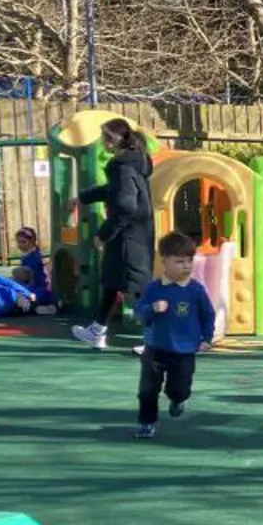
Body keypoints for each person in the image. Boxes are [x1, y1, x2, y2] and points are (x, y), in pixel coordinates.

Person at [70, 119, 155, 351]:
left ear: (112, 141)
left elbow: (126, 206)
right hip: (133, 235)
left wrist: (104, 234)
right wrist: (84, 197)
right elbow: (115, 192)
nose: (102, 141)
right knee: (112, 281)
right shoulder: (132, 163)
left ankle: (158, 339)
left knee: (136, 288)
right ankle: (97, 331)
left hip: (129, 236)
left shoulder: (123, 167)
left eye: (103, 137)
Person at [132, 231, 216, 439]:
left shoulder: (196, 290)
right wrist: (152, 308)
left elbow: (208, 315)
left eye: (189, 260)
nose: (186, 266)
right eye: (180, 261)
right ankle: (146, 422)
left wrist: (207, 338)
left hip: (185, 350)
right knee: (147, 390)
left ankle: (178, 399)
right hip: (155, 348)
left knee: (179, 388)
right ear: (164, 261)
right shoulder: (153, 288)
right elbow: (139, 313)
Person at [13, 226, 56, 309]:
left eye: (23, 242)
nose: (20, 245)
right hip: (36, 289)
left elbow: (31, 279)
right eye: (18, 242)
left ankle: (40, 306)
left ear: (32, 241)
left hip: (41, 291)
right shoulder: (27, 256)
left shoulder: (35, 257)